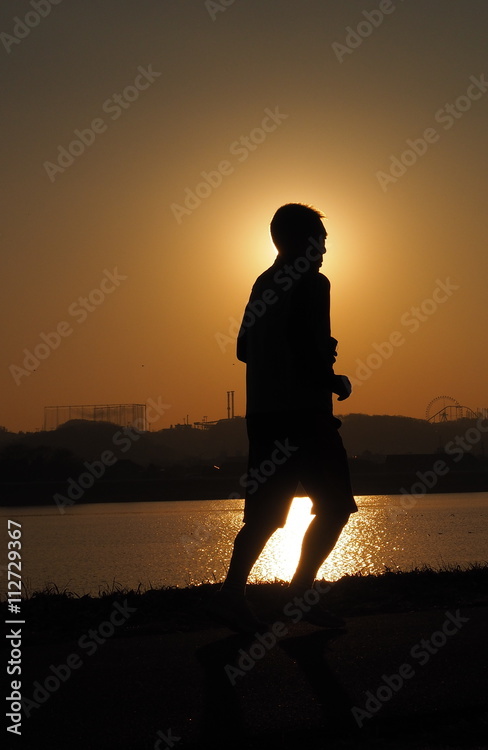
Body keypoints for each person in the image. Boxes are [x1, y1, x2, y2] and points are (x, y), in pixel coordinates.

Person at [207, 203, 357, 634]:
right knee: (335, 506)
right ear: (301, 242)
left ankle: (232, 595)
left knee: (266, 514)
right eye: (320, 240)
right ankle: (299, 594)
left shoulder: (263, 283)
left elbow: (241, 348)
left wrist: (293, 352)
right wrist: (334, 379)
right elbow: (304, 349)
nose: (326, 248)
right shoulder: (314, 283)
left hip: (264, 416)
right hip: (305, 416)